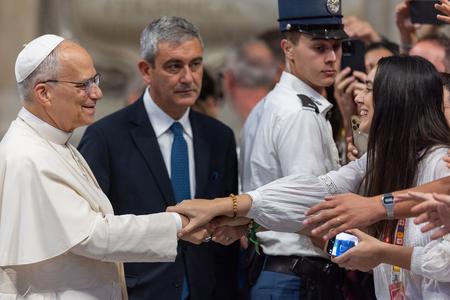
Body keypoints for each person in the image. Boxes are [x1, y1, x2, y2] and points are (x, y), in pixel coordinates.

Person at [169, 55, 450, 299]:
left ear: (397, 99)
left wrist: (382, 252)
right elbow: (318, 189)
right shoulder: (378, 161)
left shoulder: (440, 162)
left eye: (369, 88)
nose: (358, 97)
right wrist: (230, 209)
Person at [0, 34, 207, 299]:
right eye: (83, 85)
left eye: (95, 81)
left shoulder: (55, 143)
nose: (96, 93)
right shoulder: (27, 155)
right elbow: (92, 235)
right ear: (44, 93)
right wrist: (179, 223)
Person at [78, 16, 239, 300]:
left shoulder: (220, 137)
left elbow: (227, 230)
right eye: (174, 66)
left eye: (196, 64)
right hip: (138, 292)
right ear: (146, 70)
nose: (188, 77)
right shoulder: (106, 138)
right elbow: (91, 229)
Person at [240, 0, 347, 298]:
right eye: (319, 47)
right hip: (297, 275)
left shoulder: (270, 104)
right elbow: (313, 211)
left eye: (336, 47)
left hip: (277, 269)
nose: (331, 58)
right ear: (288, 48)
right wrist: (357, 253)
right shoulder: (300, 114)